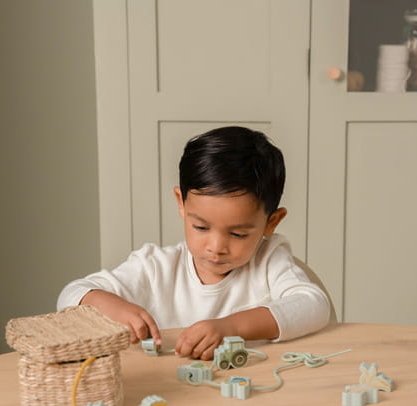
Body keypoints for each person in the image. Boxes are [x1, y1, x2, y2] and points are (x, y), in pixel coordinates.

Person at [57, 126, 330, 360]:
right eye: (201, 227)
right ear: (182, 204)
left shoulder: (269, 261)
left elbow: (314, 305)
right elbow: (71, 295)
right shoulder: (156, 267)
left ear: (272, 222)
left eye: (238, 234)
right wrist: (115, 308)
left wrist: (231, 327)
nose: (216, 247)